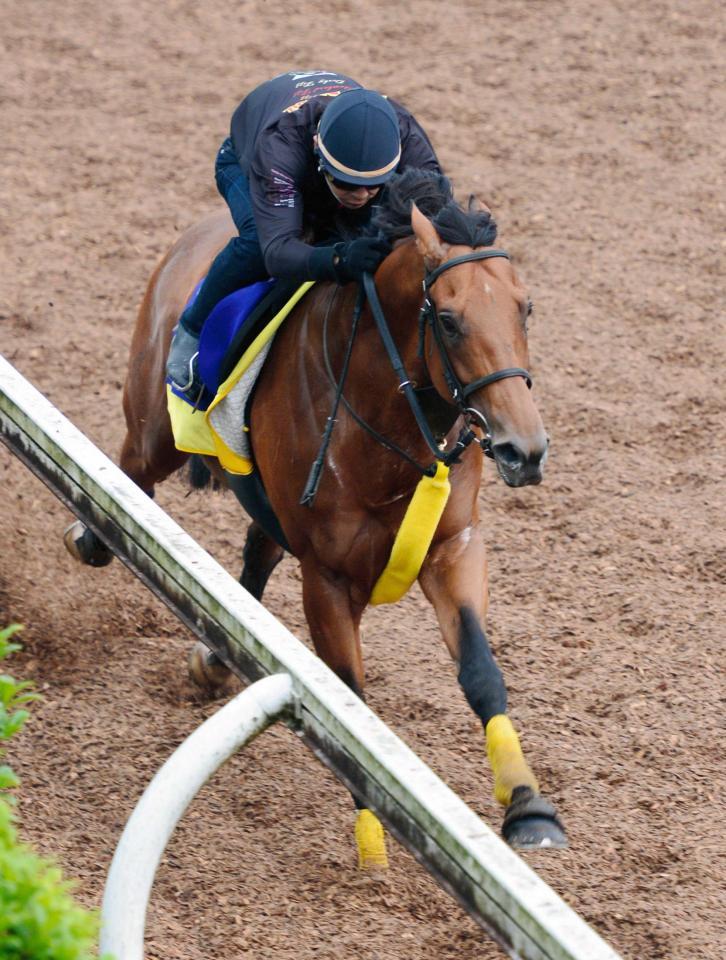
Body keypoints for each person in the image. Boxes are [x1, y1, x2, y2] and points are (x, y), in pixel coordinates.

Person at [166, 69, 442, 395]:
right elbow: (278, 250)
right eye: (346, 183)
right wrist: (338, 259)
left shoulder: (409, 138)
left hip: (316, 164)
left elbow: (436, 218)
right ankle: (192, 329)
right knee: (257, 241)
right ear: (317, 146)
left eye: (373, 186)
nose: (361, 195)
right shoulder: (279, 146)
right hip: (246, 162)